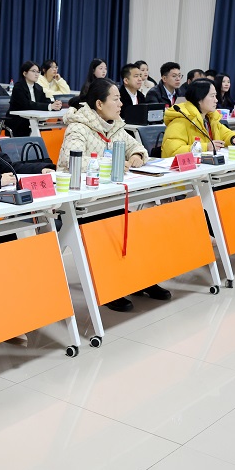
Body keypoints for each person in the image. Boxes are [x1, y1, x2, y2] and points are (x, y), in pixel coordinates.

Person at [58, 78, 169, 312]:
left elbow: (137, 147)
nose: (121, 104)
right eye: (116, 99)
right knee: (109, 229)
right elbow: (72, 159)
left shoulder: (116, 126)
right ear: (99, 104)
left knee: (138, 226)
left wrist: (136, 157)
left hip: (110, 198)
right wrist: (111, 164)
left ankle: (143, 280)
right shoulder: (78, 127)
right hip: (83, 201)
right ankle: (110, 287)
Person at [161, 78, 235, 157]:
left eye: (216, 96)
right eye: (212, 96)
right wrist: (205, 147)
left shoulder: (210, 118)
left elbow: (226, 134)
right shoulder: (180, 121)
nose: (216, 100)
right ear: (199, 99)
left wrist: (234, 139)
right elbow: (172, 152)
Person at [6, 60, 62, 137]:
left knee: (47, 131)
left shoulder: (38, 87)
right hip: (18, 121)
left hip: (34, 119)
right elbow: (27, 105)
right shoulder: (18, 87)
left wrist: (55, 104)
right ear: (24, 73)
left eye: (38, 72)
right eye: (33, 71)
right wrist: (49, 106)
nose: (36, 74)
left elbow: (45, 101)